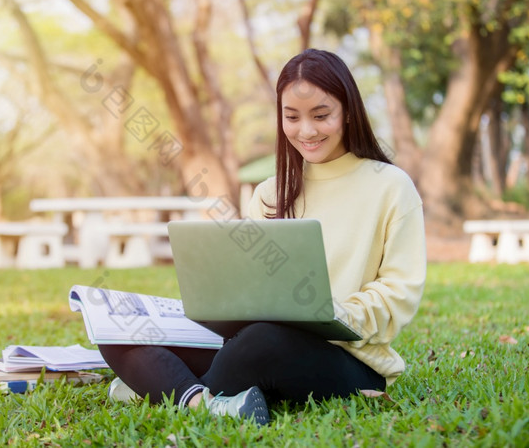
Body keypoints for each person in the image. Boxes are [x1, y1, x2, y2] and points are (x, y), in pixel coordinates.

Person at [98, 48, 426, 426]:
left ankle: (159, 388)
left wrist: (336, 313)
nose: (307, 131)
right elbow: (249, 289)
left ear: (348, 112)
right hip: (249, 342)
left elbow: (400, 292)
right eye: (292, 117)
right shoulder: (269, 194)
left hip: (347, 359)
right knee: (119, 326)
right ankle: (200, 401)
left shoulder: (389, 186)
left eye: (321, 116)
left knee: (262, 342)